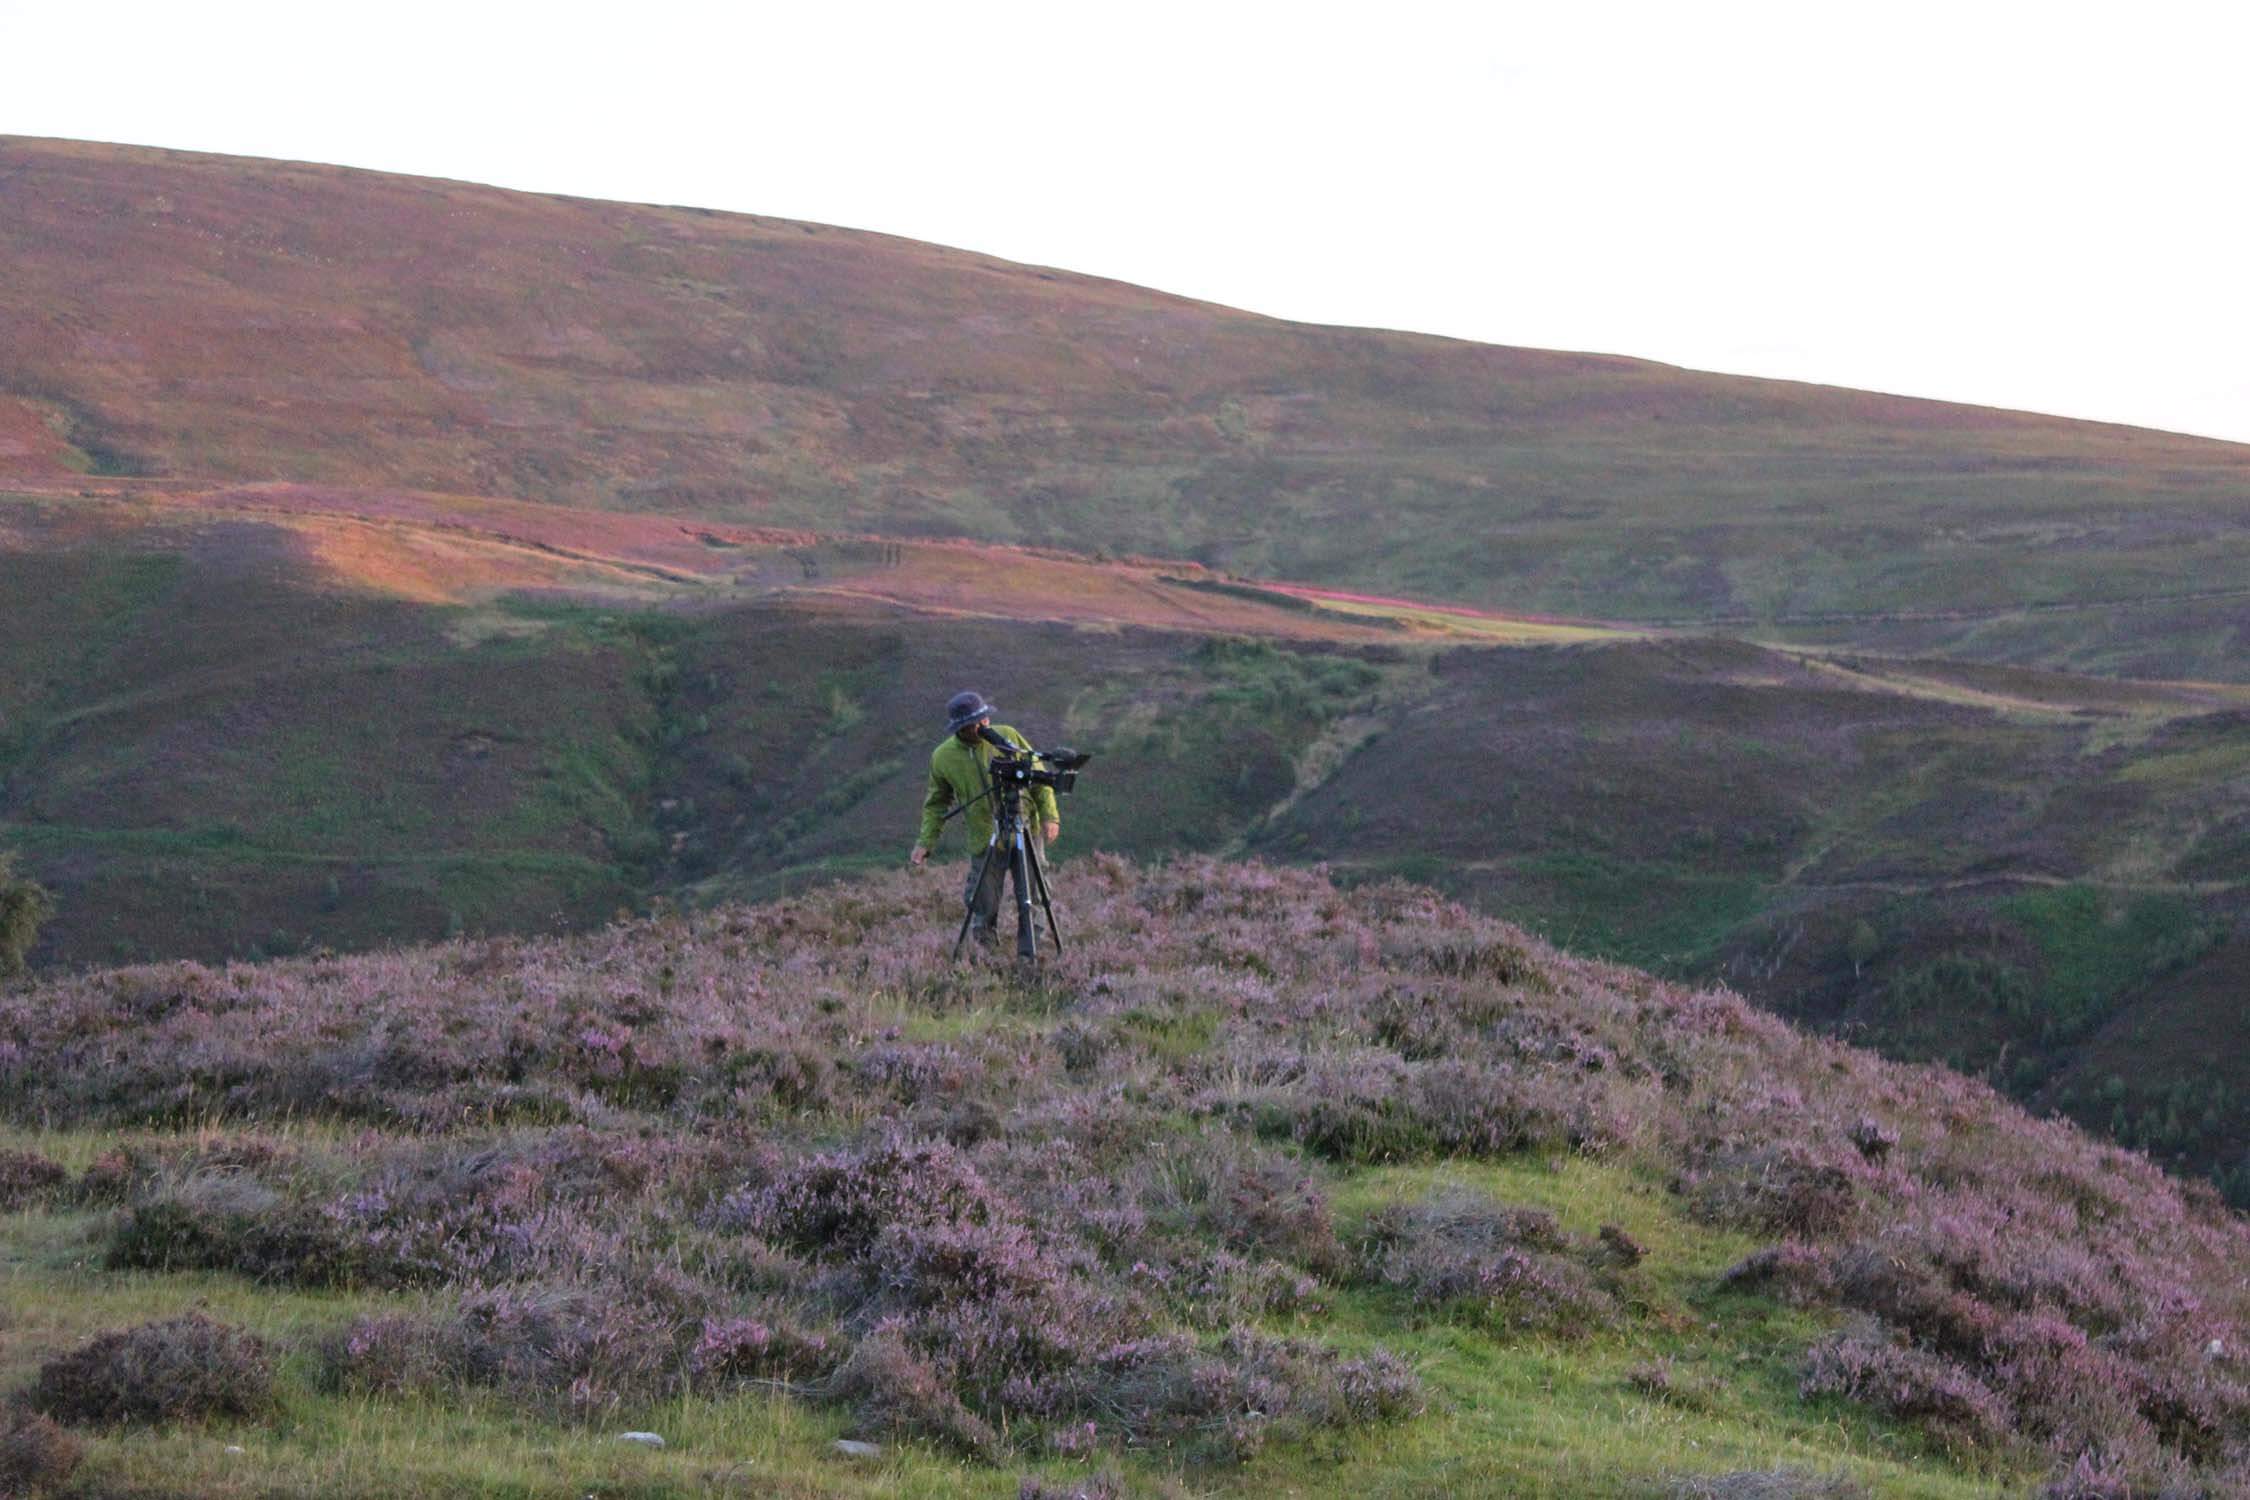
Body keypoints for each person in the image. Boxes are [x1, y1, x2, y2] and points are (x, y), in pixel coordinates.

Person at [910, 691, 1060, 946]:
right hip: (985, 836)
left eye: (985, 718)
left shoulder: (1008, 737)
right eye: (975, 723)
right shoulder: (943, 757)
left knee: (1033, 897)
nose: (983, 725)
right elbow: (936, 805)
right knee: (984, 901)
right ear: (960, 728)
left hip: (1026, 829)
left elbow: (1038, 777)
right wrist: (925, 842)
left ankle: (1032, 953)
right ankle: (986, 957)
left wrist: (1049, 815)